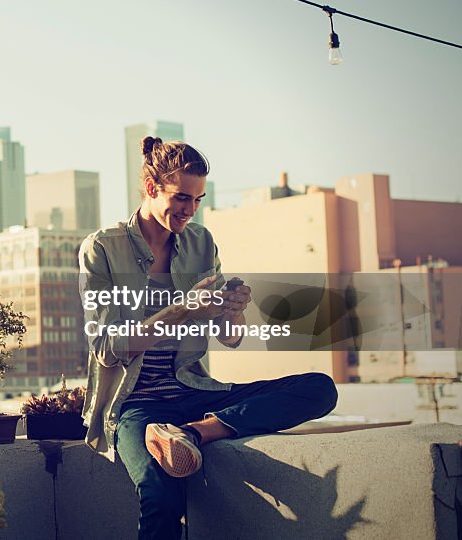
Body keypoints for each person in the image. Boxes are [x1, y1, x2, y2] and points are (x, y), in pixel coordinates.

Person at [79, 136, 338, 540]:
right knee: (160, 499)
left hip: (194, 394)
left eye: (198, 200)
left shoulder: (201, 243)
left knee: (320, 389)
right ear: (151, 188)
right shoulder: (102, 248)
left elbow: (228, 338)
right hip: (136, 406)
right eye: (181, 197)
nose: (189, 210)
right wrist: (182, 309)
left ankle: (196, 433)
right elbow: (107, 348)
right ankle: (182, 434)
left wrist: (233, 310)